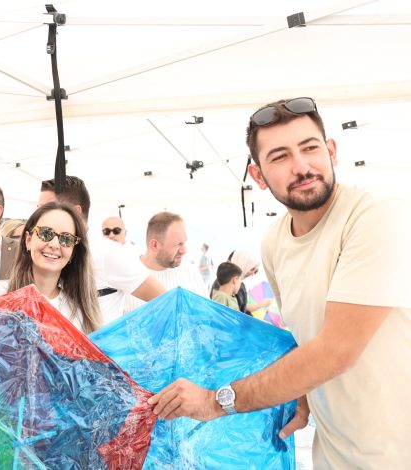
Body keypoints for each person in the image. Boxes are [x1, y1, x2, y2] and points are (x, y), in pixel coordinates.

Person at [148, 97, 411, 468]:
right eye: (280, 156)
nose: (301, 166)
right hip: (334, 454)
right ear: (258, 176)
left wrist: (214, 401)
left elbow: (336, 351)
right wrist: (301, 391)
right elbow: (306, 338)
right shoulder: (274, 242)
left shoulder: (376, 215)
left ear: (332, 151)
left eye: (310, 148)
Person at [39, 176, 166, 324]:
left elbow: (166, 300)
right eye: (38, 208)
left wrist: (128, 335)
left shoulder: (106, 252)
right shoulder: (47, 251)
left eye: (48, 208)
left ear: (75, 211)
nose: (39, 215)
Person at [8, 202, 101, 334]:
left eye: (66, 239)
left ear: (73, 252)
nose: (54, 245)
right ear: (28, 241)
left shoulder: (81, 316)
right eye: (45, 233)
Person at [126, 211, 208, 312]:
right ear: (154, 245)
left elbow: (206, 315)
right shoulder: (127, 275)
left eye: (184, 243)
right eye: (178, 244)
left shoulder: (190, 272)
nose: (184, 250)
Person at [210, 249, 271, 315]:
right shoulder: (223, 284)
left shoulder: (239, 285)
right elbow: (218, 314)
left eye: (256, 271)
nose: (252, 274)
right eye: (252, 269)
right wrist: (262, 304)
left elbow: (241, 309)